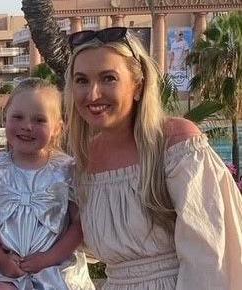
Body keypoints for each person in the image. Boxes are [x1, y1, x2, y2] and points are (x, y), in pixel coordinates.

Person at [64, 26, 242, 290]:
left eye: (108, 78)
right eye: (82, 80)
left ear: (138, 85)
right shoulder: (83, 162)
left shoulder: (176, 142)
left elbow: (211, 254)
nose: (92, 94)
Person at [0, 78, 94, 290]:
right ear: (5, 119)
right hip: (8, 268)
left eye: (39, 120)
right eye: (18, 117)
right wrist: (1, 259)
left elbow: (78, 225)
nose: (27, 126)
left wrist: (47, 259)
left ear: (58, 128)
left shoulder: (66, 170)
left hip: (54, 267)